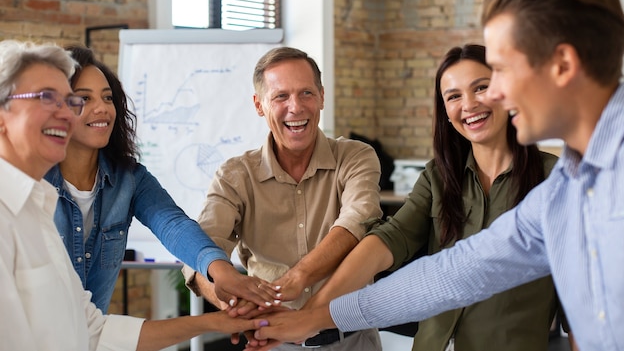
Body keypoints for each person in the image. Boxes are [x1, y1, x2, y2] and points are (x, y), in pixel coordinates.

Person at [251, 0, 624, 351]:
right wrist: (312, 318)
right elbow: (454, 274)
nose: (492, 94)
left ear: (562, 65)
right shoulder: (566, 187)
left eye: (499, 71)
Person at [0, 39, 267, 351]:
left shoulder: (40, 203)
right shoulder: (22, 205)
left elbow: (91, 329)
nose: (65, 112)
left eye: (107, 98)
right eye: (76, 99)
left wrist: (220, 287)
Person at [302, 43, 559, 351]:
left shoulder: (554, 179)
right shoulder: (438, 176)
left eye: (481, 88)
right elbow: (389, 239)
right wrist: (312, 312)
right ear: (446, 113)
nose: (469, 104)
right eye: (454, 96)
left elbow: (580, 299)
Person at [44, 45, 279, 313]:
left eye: (108, 98)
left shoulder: (129, 179)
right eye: (84, 99)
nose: (102, 109)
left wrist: (221, 270)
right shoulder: (30, 181)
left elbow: (173, 224)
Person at [183, 46, 384, 350]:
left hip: (352, 341)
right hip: (272, 342)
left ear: (321, 97)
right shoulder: (235, 175)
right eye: (281, 96)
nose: (296, 107)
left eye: (306, 93)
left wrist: (298, 277)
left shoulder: (356, 157)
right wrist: (237, 308)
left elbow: (358, 220)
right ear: (259, 105)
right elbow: (198, 251)